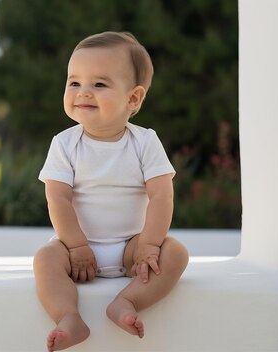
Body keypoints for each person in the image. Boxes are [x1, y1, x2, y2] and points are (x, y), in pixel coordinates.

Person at [34, 31, 189, 351]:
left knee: (176, 253)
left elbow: (162, 195)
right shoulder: (65, 144)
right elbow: (58, 198)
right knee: (45, 259)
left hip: (132, 248)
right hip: (76, 249)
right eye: (74, 82)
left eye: (99, 84)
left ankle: (127, 301)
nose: (83, 92)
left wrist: (149, 243)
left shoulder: (144, 142)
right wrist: (75, 246)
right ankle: (68, 317)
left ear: (133, 98)